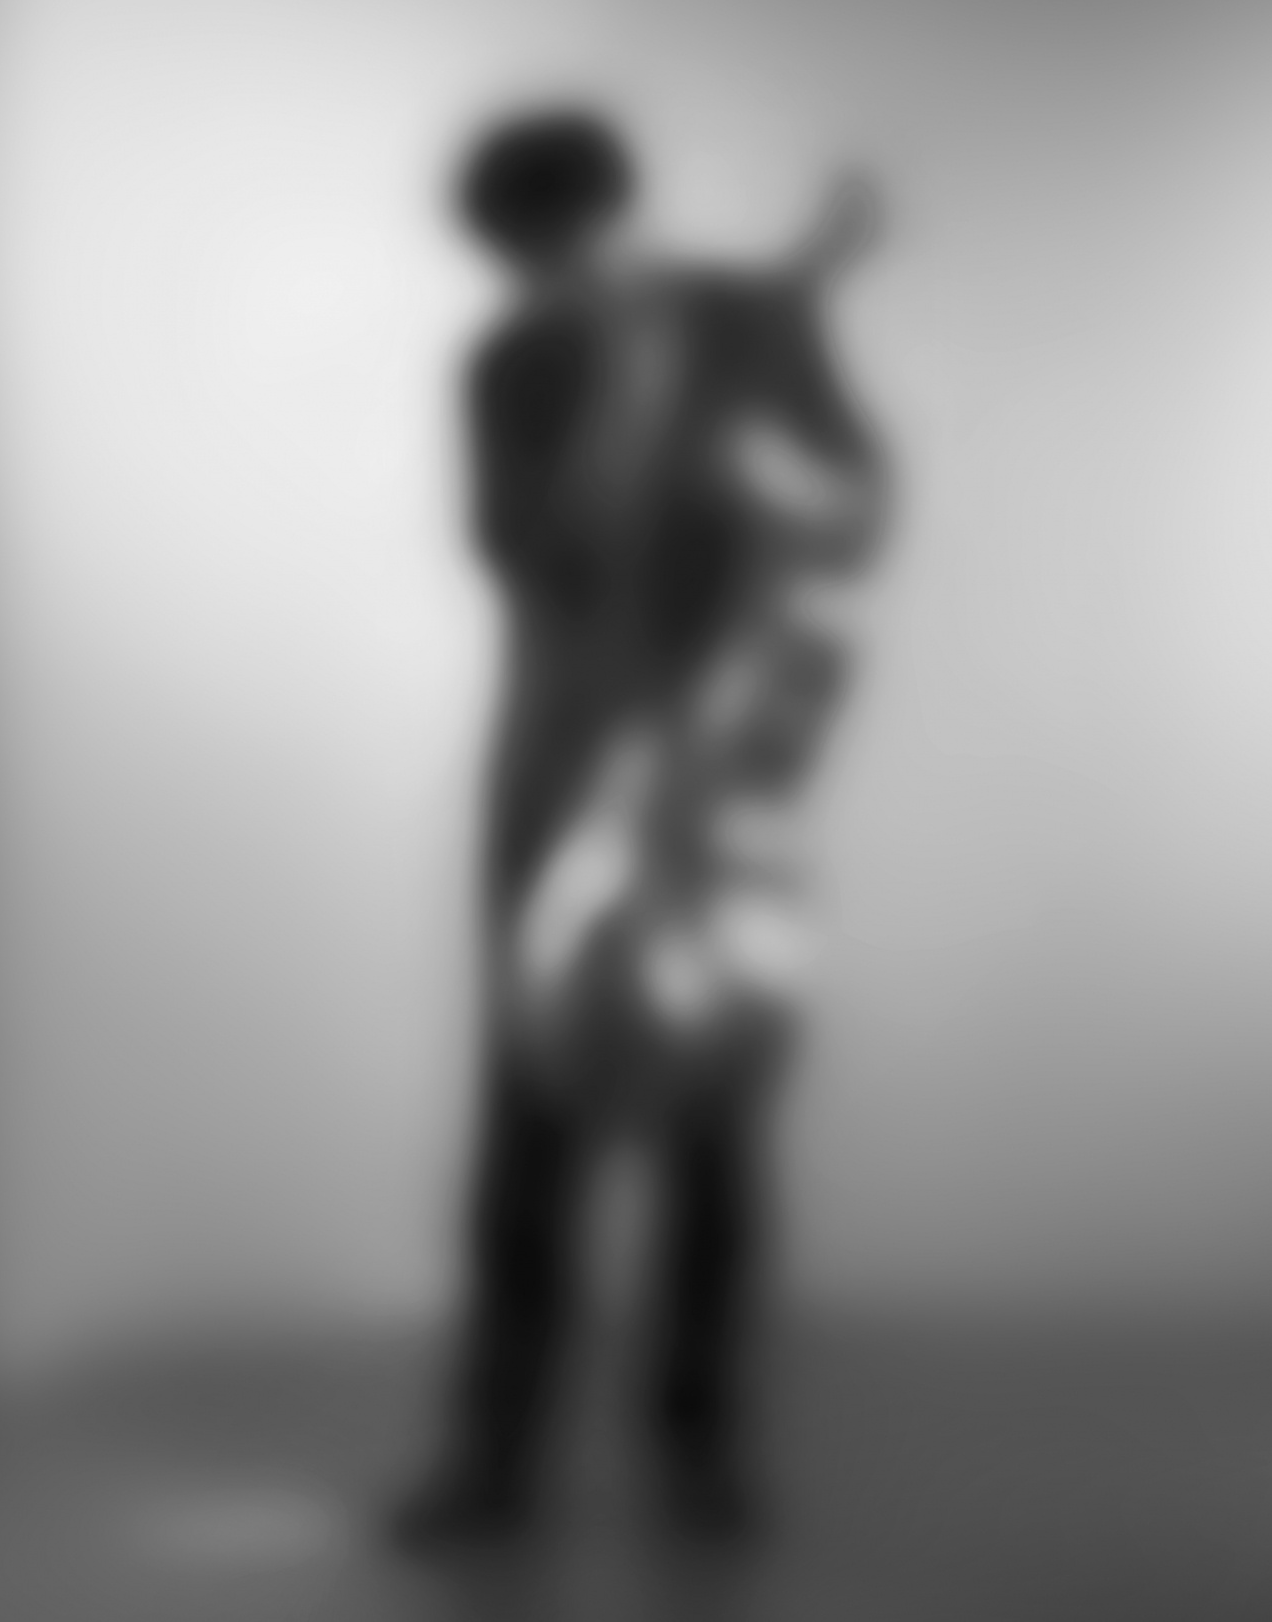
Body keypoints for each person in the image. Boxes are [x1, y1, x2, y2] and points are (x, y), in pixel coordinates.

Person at [396, 109, 886, 1545]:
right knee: (530, 1117)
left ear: (611, 209)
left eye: (573, 232)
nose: (559, 265)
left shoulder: (748, 321)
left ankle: (699, 1453)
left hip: (721, 785)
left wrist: (762, 416)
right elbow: (529, 554)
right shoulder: (514, 362)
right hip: (554, 779)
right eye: (531, 251)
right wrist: (637, 397)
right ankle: (494, 1460)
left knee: (713, 1119)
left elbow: (851, 512)